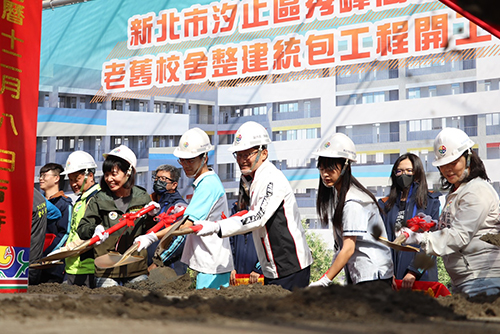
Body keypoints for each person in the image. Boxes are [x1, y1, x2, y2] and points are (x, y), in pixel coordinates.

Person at [191, 121, 313, 291]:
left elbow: (258, 217)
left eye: (247, 154)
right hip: (273, 267)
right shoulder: (251, 179)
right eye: (238, 155)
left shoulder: (272, 179)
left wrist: (217, 226)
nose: (241, 160)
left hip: (290, 264)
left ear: (264, 153)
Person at [401, 128, 500, 297]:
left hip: (481, 278)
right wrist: (431, 223)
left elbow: (459, 235)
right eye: (442, 165)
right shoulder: (458, 191)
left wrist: (421, 238)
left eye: (453, 163)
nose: (448, 170)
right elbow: (453, 226)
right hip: (466, 278)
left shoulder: (476, 191)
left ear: (468, 158)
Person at [135, 128, 233, 289]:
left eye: (191, 160)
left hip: (210, 265)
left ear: (204, 157)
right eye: (183, 160)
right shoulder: (206, 182)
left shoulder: (207, 185)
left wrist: (152, 237)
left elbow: (185, 227)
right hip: (206, 262)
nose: (186, 165)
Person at [309, 133, 393, 287]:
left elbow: (348, 248)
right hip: (368, 274)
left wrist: (325, 281)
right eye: (322, 168)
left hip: (372, 276)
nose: (325, 173)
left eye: (330, 168)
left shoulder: (353, 201)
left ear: (345, 166)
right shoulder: (341, 195)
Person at [77, 145, 158, 288]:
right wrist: (95, 230)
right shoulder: (99, 199)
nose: (109, 179)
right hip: (107, 270)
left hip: (136, 268)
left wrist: (152, 217)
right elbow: (82, 228)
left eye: (114, 174)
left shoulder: (142, 197)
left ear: (129, 172)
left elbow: (150, 231)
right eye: (106, 174)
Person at [378, 153, 441, 289]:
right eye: (399, 171)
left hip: (421, 277)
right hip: (394, 280)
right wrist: (388, 272)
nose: (403, 174)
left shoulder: (430, 201)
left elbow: (434, 238)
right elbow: (382, 242)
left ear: (417, 173)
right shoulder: (385, 204)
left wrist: (414, 271)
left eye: (409, 171)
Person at [60, 151, 100, 288]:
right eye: (70, 180)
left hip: (87, 266)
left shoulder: (96, 198)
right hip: (73, 265)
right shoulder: (80, 199)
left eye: (76, 179)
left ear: (90, 175)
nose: (73, 184)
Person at [149, 164, 188, 275]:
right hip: (150, 266)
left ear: (174, 184)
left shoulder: (178, 207)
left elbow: (180, 239)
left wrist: (158, 262)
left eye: (163, 179)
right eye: (156, 178)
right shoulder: (154, 203)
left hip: (170, 268)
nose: (158, 181)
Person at [39, 163, 73, 283]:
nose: (40, 178)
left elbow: (65, 234)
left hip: (54, 266)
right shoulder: (37, 202)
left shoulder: (65, 204)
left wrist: (48, 254)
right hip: (34, 262)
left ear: (57, 178)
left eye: (44, 175)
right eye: (40, 175)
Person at [229, 201, 262, 286]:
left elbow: (270, 247)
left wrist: (258, 269)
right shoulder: (235, 213)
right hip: (236, 277)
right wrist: (231, 267)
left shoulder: (263, 211)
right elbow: (228, 245)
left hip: (257, 277)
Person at [29, 188, 49, 285]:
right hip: (34, 263)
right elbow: (55, 213)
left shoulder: (18, 196)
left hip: (20, 266)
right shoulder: (37, 195)